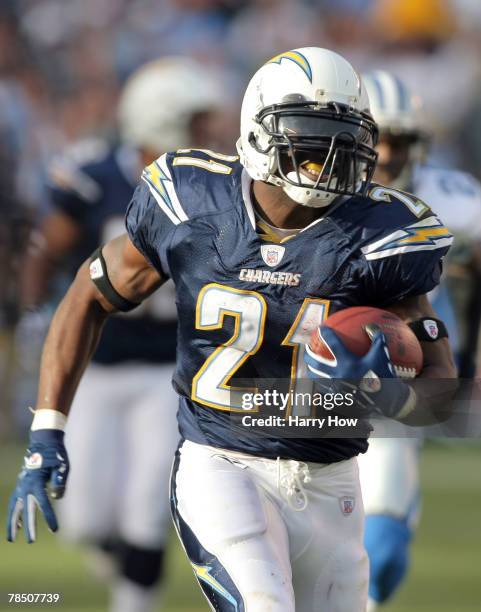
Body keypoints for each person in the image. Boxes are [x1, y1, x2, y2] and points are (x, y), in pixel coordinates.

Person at [7, 47, 457, 611]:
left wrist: (388, 392)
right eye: (313, 138)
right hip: (222, 463)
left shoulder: (385, 234)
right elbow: (87, 296)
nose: (332, 158)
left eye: (345, 139)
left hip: (334, 480)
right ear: (259, 130)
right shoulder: (192, 202)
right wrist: (48, 428)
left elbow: (440, 386)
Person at [14, 57, 225, 612]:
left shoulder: (213, 185)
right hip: (97, 365)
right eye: (196, 121)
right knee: (84, 518)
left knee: (144, 508)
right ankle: (128, 565)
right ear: (161, 119)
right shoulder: (97, 175)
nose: (207, 134)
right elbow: (47, 247)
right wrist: (37, 309)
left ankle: (135, 599)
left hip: (170, 370)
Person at [359, 70, 481, 610]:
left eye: (400, 140)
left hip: (394, 384)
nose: (386, 154)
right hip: (301, 380)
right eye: (376, 138)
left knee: (379, 551)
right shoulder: (308, 192)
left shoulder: (454, 202)